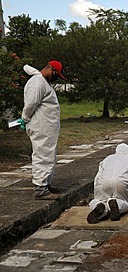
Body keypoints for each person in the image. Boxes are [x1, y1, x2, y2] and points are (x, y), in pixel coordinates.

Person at [20, 60, 66, 199]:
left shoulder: (43, 82)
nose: (56, 78)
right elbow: (30, 104)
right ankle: (40, 189)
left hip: (46, 127)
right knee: (42, 155)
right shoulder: (37, 82)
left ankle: (45, 183)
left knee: (48, 155)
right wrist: (25, 118)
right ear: (50, 68)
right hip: (41, 126)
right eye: (56, 74)